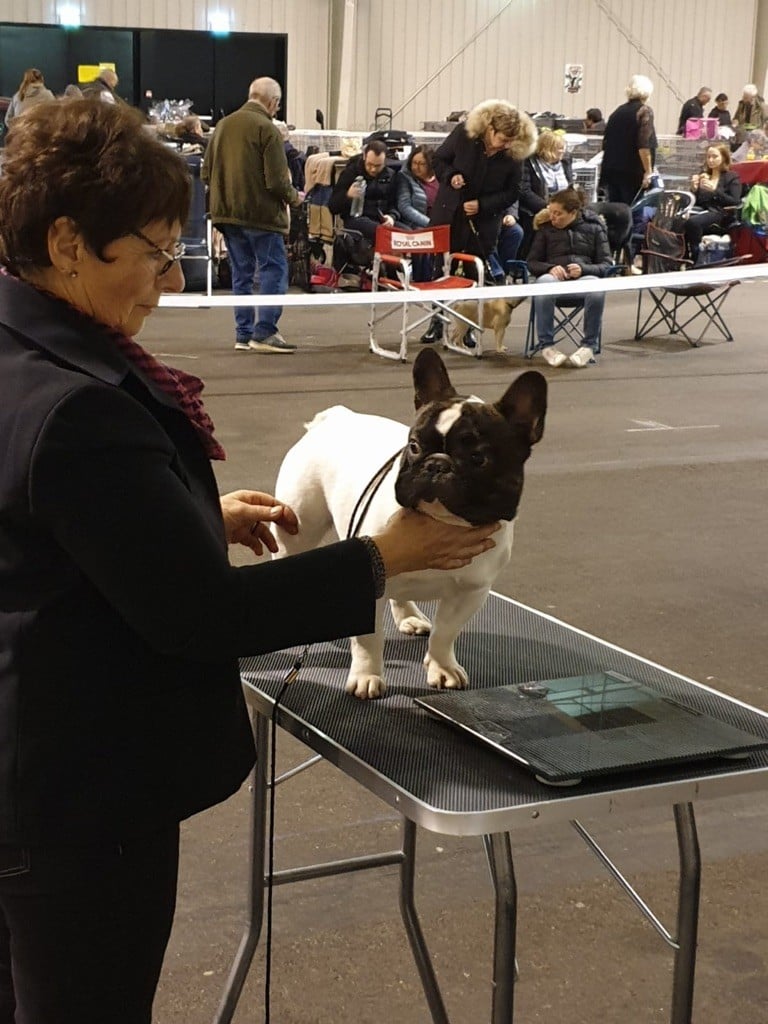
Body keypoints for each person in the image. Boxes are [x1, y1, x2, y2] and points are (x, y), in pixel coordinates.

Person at [0, 97, 500, 1024]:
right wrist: (378, 559)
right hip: (74, 790)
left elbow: (43, 521)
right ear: (69, 242)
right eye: (152, 251)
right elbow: (200, 619)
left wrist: (183, 512)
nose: (165, 277)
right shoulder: (81, 408)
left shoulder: (19, 349)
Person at [203, 76, 302, 354]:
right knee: (274, 270)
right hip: (261, 217)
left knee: (242, 274)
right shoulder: (267, 129)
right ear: (273, 102)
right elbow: (276, 181)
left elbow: (205, 172)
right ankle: (265, 331)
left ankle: (243, 334)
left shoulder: (221, 126)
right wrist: (295, 198)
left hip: (227, 215)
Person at [428, 98, 537, 276]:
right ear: (490, 129)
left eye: (512, 140)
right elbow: (439, 159)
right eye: (503, 139)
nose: (507, 145)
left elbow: (514, 191)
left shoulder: (516, 152)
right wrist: (451, 175)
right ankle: (440, 304)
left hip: (484, 224)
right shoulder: (464, 134)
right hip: (450, 214)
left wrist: (483, 205)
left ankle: (473, 304)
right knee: (441, 272)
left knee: (476, 273)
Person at [526, 187, 613, 368]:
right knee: (543, 283)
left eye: (558, 214)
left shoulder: (596, 229)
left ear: (573, 213)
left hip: (583, 280)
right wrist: (550, 268)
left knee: (596, 288)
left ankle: (588, 346)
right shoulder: (545, 229)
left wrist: (584, 269)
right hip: (553, 281)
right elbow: (532, 263)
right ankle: (547, 345)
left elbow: (606, 265)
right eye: (551, 212)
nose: (553, 218)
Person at [328, 139, 402, 243]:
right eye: (369, 164)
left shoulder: (391, 175)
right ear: (364, 157)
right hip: (357, 219)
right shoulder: (350, 173)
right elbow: (332, 207)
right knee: (382, 233)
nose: (373, 169)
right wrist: (348, 195)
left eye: (378, 166)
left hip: (382, 218)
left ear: (385, 161)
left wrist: (392, 216)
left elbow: (395, 204)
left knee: (409, 234)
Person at [600, 73, 657, 205]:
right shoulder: (644, 111)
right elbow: (644, 144)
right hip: (632, 172)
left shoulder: (617, 111)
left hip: (612, 169)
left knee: (616, 212)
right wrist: (648, 171)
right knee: (633, 211)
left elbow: (606, 142)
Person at [517, 129, 574, 257]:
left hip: (561, 206)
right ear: (548, 149)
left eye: (563, 148)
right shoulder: (528, 163)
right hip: (535, 208)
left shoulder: (565, 162)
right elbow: (524, 191)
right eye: (559, 148)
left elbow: (570, 188)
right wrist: (547, 207)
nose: (563, 151)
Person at [685, 143, 742, 263]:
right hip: (705, 211)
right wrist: (694, 189)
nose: (711, 160)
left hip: (721, 213)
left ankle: (696, 256)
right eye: (708, 157)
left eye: (715, 156)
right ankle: (683, 256)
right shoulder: (705, 176)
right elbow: (700, 201)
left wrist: (715, 191)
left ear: (724, 158)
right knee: (679, 220)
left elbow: (735, 201)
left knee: (693, 222)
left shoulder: (731, 177)